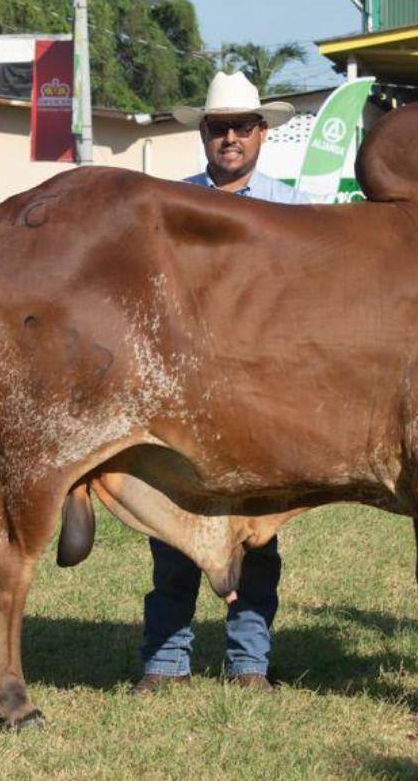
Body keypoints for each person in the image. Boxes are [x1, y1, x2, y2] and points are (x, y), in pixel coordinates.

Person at [130, 72, 306, 694]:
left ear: (262, 132)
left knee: (259, 532)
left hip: (263, 395)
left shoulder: (296, 207)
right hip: (185, 395)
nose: (229, 137)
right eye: (217, 127)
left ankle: (249, 661)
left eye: (241, 127)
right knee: (174, 527)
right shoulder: (166, 206)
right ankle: (166, 658)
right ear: (202, 134)